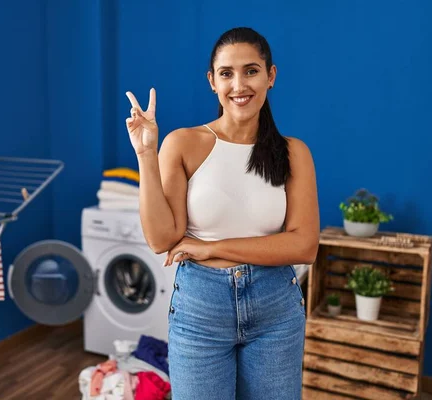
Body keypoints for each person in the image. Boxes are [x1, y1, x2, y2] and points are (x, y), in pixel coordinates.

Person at [124, 27, 319, 400]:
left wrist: (210, 248)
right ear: (212, 82)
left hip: (275, 310)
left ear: (270, 76)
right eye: (226, 73)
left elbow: (304, 245)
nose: (239, 84)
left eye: (251, 70)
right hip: (201, 309)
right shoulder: (183, 143)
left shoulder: (294, 153)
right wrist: (146, 153)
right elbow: (162, 239)